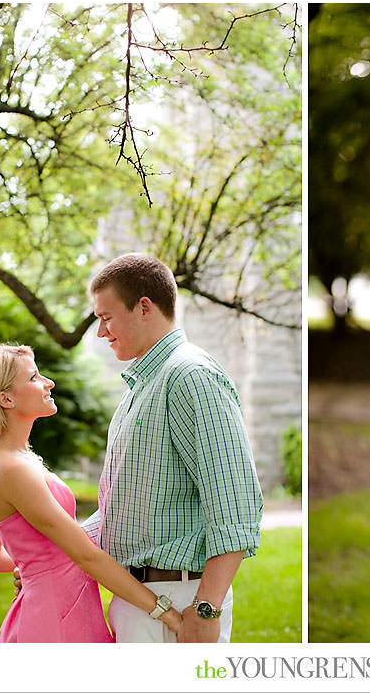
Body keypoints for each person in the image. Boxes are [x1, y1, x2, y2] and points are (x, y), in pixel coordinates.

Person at [81, 252, 263, 643]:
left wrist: (206, 608)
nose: (101, 332)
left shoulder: (190, 376)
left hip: (180, 601)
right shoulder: (143, 385)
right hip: (142, 599)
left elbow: (235, 504)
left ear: (143, 307)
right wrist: (53, 553)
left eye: (107, 318)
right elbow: (125, 508)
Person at [0, 344, 183, 643]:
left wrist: (35, 566)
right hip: (56, 622)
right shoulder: (11, 467)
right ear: (5, 398)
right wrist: (169, 615)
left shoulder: (2, 460)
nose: (48, 382)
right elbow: (87, 557)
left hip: (59, 610)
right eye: (34, 377)